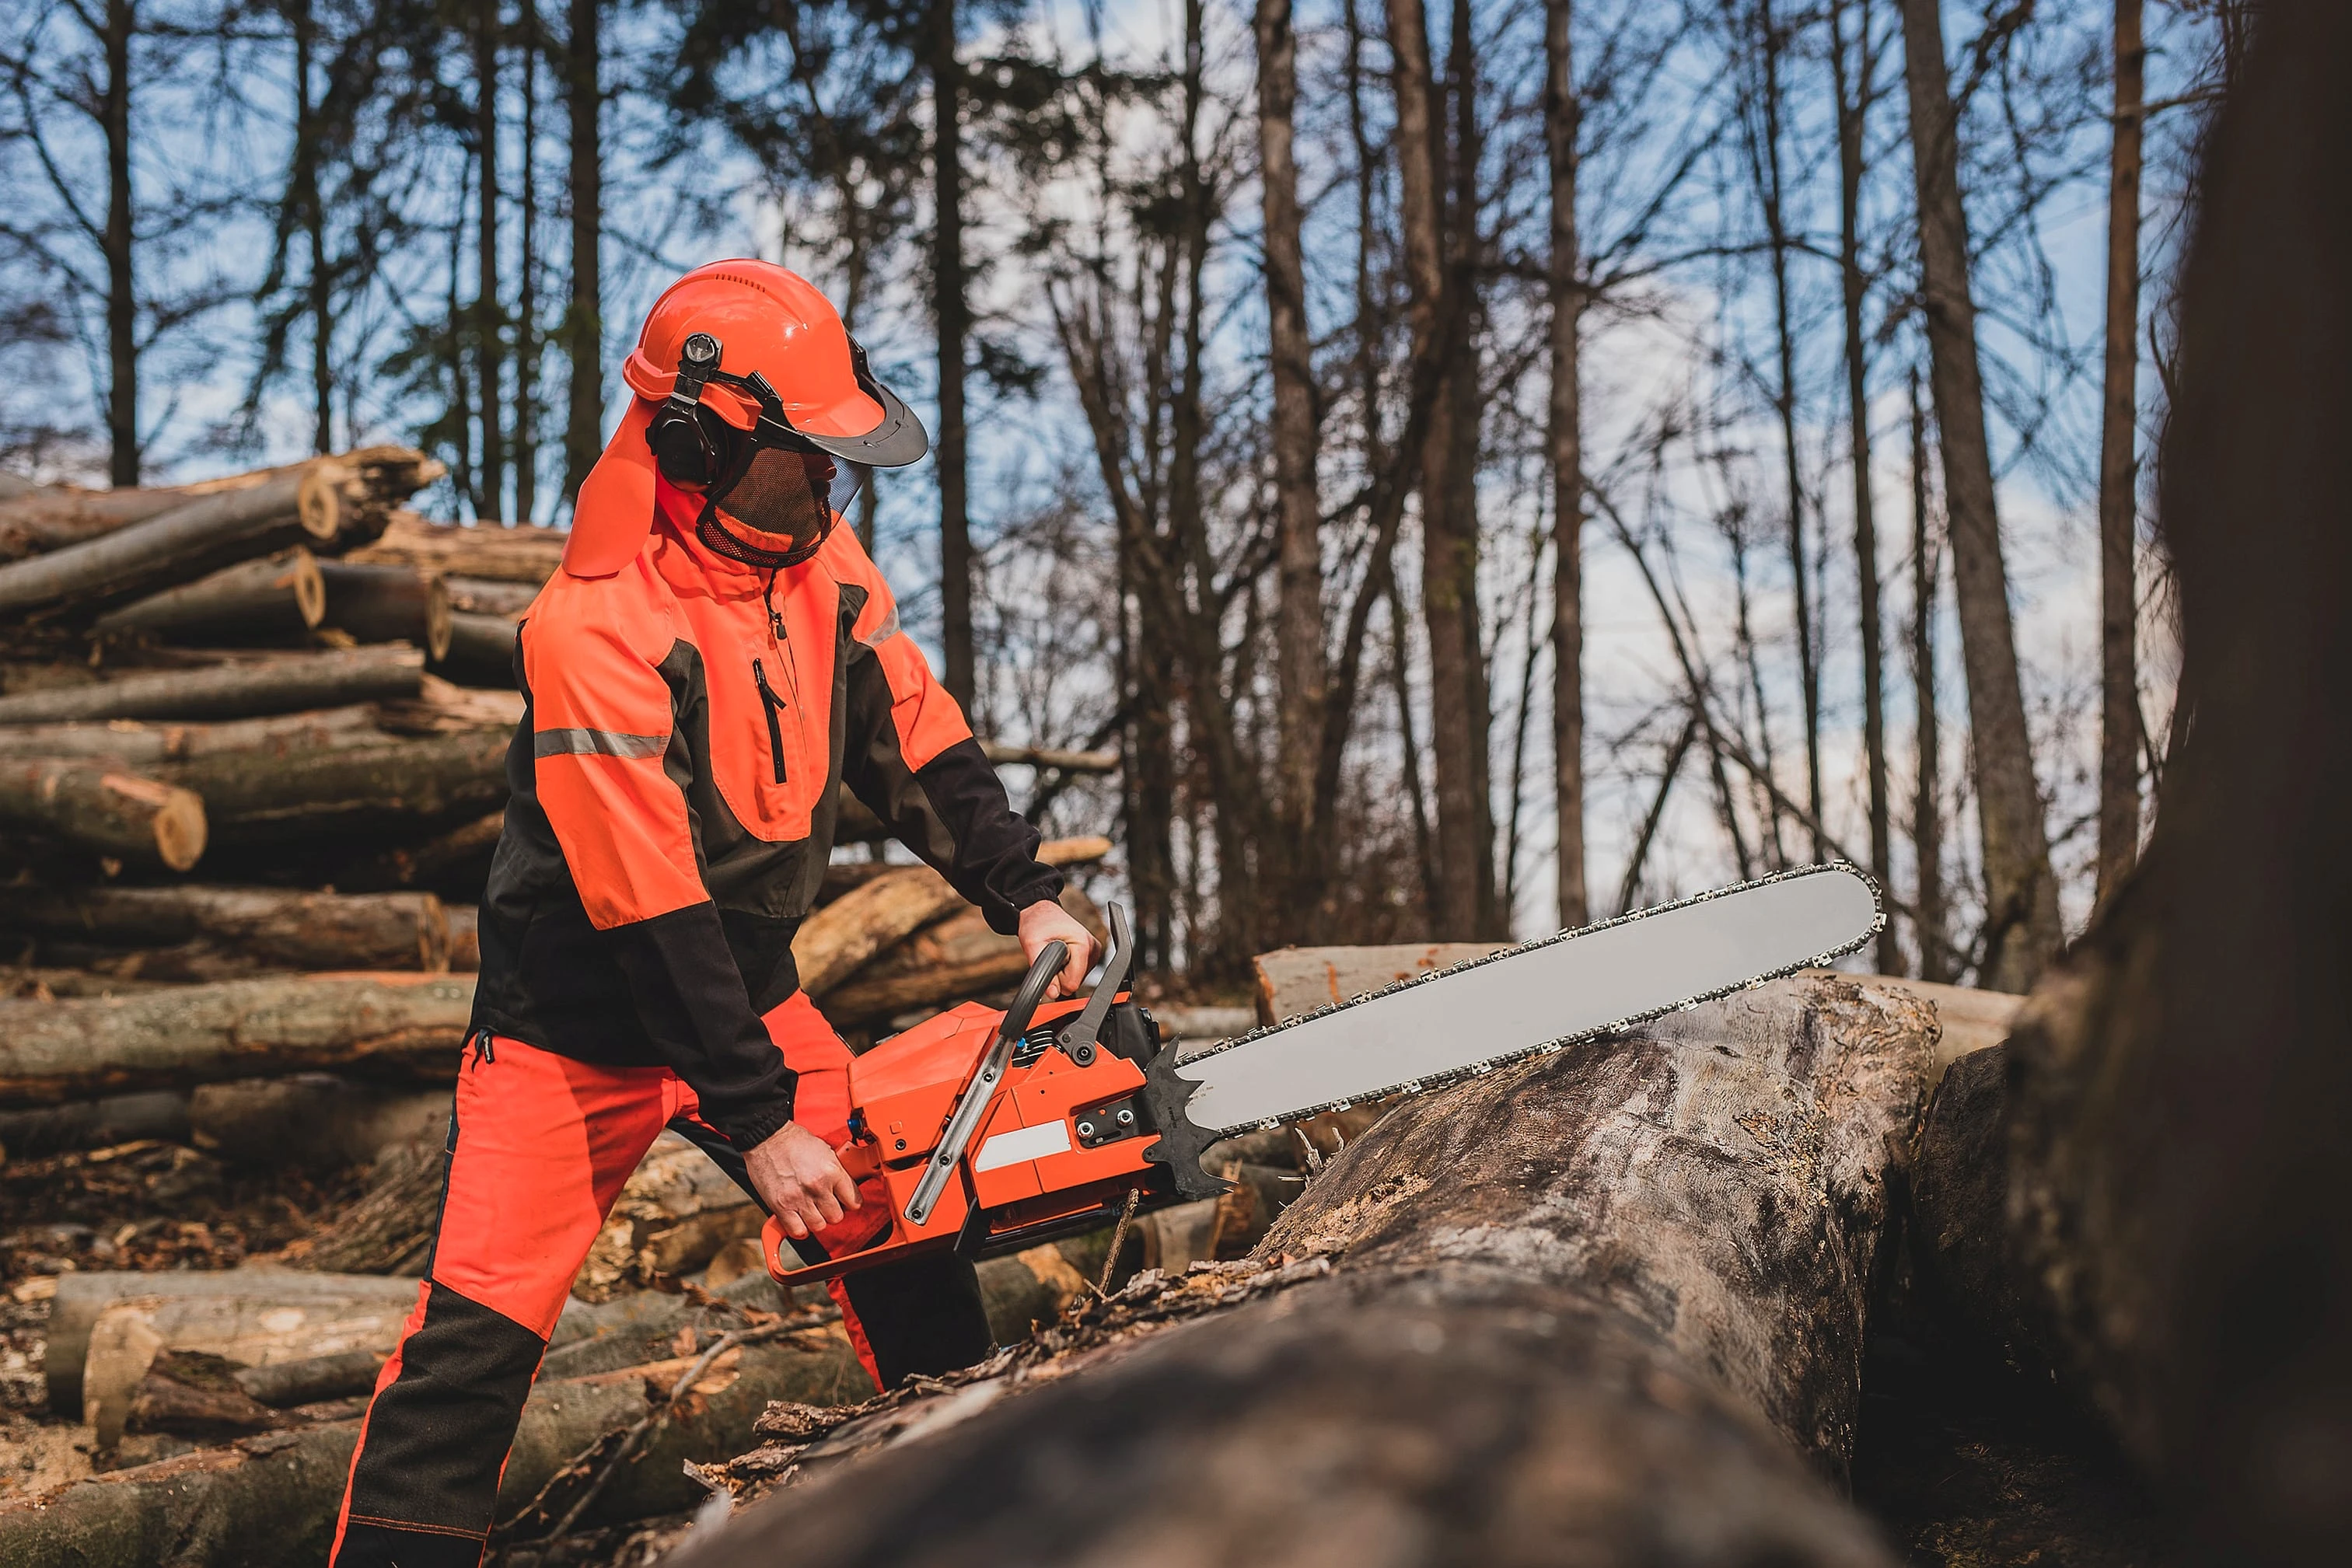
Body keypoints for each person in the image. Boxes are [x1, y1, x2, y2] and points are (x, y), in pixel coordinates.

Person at [330, 259, 1099, 1568]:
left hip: (741, 992)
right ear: (698, 443)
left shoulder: (812, 558)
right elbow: (646, 899)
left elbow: (907, 730)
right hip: (571, 1029)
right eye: (799, 463)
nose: (827, 489)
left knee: (892, 1223)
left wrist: (1024, 890)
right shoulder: (599, 624)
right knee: (475, 1346)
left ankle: (966, 1521)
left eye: (830, 462)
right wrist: (754, 1119)